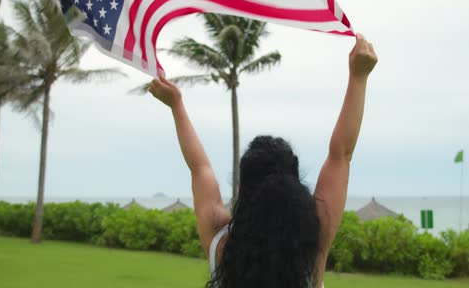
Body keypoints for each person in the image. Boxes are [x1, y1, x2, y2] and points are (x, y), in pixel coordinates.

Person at [149, 33, 378, 288]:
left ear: (241, 190)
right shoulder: (313, 249)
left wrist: (176, 105)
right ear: (295, 192)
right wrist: (359, 77)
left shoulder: (220, 244)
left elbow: (199, 168)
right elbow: (341, 154)